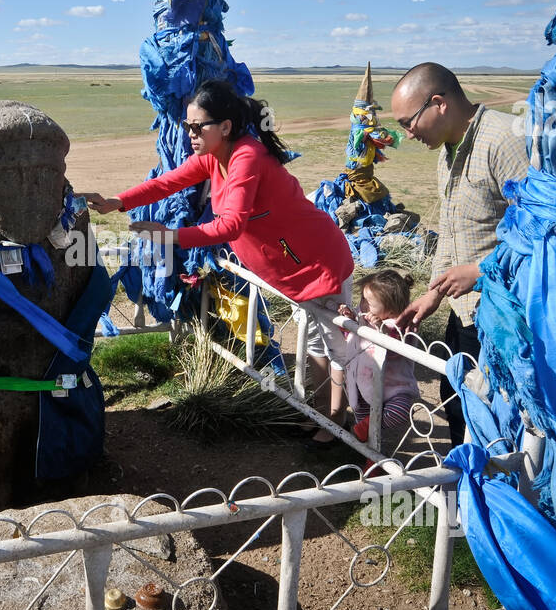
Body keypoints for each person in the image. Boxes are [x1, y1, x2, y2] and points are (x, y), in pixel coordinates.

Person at [84, 79, 355, 446]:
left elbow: (231, 224)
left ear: (225, 127)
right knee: (315, 341)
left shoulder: (247, 156)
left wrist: (169, 236)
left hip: (317, 259)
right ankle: (323, 414)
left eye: (198, 127)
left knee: (337, 345)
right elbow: (168, 183)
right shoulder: (216, 156)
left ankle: (343, 421)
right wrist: (119, 201)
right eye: (187, 126)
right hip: (291, 266)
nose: (191, 134)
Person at [388, 62, 527, 447]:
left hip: (507, 317)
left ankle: (502, 495)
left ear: (438, 103)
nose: (407, 133)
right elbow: (451, 232)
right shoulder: (446, 153)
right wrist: (433, 293)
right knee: (457, 403)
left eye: (408, 122)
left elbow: (543, 235)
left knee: (500, 417)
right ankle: (467, 492)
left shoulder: (505, 142)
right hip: (465, 310)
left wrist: (481, 271)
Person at [336, 270, 421, 465]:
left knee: (399, 413)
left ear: (390, 308)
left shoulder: (401, 325)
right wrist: (349, 321)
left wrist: (381, 329)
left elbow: (394, 348)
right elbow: (352, 338)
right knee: (366, 425)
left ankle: (367, 428)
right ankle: (371, 459)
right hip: (362, 383)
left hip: (394, 387)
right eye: (363, 299)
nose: (363, 305)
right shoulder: (365, 316)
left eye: (369, 302)